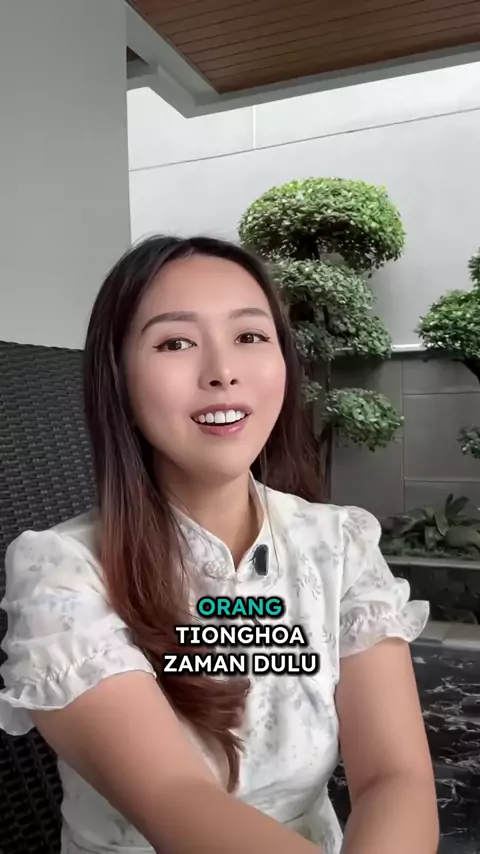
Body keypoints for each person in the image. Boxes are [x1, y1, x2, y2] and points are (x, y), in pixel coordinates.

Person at [0, 235, 439, 854]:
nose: (223, 371)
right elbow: (177, 801)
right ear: (119, 383)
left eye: (250, 336)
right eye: (175, 343)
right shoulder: (63, 570)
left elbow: (395, 778)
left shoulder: (340, 544)